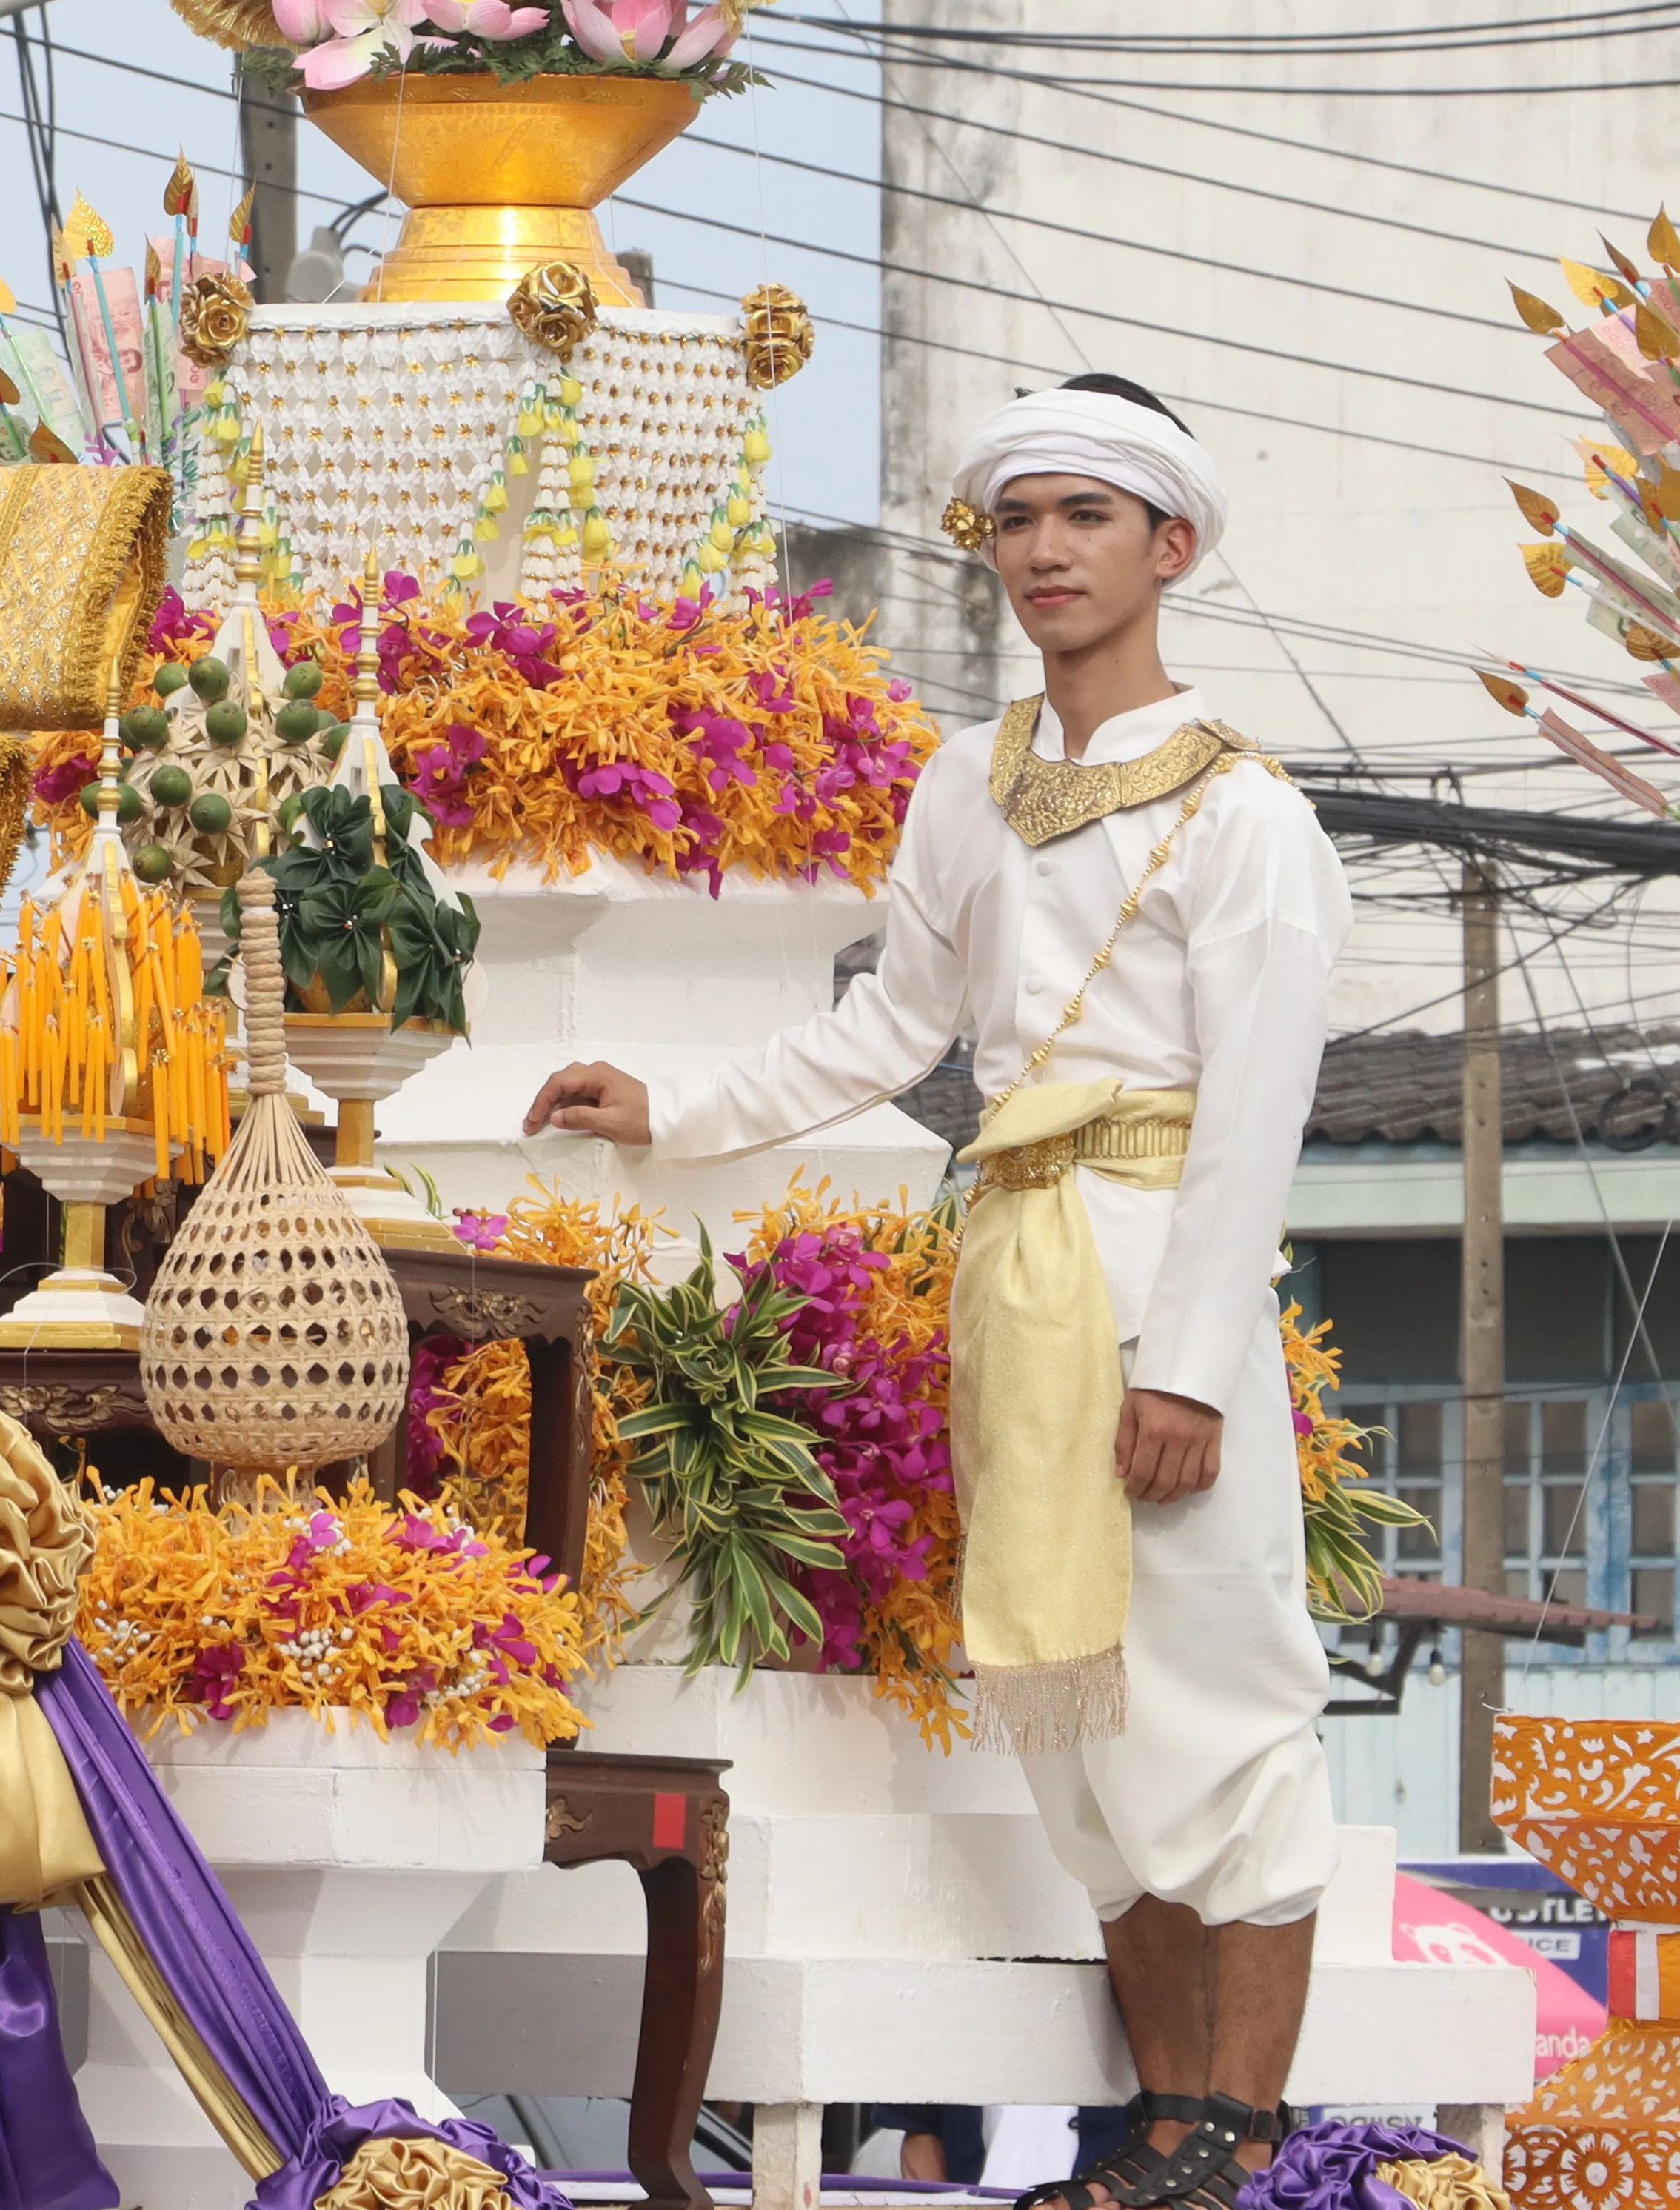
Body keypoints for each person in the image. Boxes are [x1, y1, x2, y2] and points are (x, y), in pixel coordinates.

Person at [523, 376, 1347, 2210]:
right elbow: (894, 1028)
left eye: (1085, 518)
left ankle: (1241, 2128)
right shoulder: (968, 780)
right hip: (1014, 1284)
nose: (1042, 552)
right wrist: (678, 1110)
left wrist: (1198, 1369)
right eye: (1015, 520)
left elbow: (1253, 1129)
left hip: (1149, 1283)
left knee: (1222, 1697)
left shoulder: (1247, 818)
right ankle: (1154, 2130)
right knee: (1068, 1712)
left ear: (1171, 546)